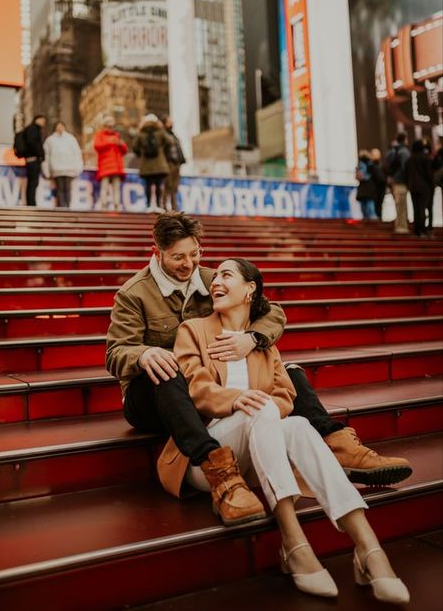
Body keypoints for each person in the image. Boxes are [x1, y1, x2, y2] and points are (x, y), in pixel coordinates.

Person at [106, 213, 411, 524]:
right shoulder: (134, 293)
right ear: (156, 252)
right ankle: (219, 473)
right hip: (157, 396)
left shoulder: (215, 279)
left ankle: (338, 444)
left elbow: (273, 312)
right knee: (168, 370)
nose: (189, 264)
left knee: (289, 371)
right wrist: (144, 354)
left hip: (209, 387)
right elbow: (115, 353)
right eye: (178, 257)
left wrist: (252, 339)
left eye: (195, 253)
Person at [157, 258, 409, 602]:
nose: (215, 281)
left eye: (226, 275)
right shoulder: (194, 330)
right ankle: (293, 539)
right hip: (208, 459)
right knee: (263, 410)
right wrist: (238, 399)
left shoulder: (261, 342)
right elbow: (195, 387)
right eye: (214, 276)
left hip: (260, 449)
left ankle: (368, 546)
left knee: (300, 424)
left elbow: (285, 394)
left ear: (250, 290)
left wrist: (262, 404)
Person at [132, 114, 173, 213]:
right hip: (160, 164)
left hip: (146, 164)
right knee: (159, 185)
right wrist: (162, 149)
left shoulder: (141, 133)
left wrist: (141, 153)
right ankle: (158, 206)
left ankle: (149, 205)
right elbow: (170, 142)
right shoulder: (160, 132)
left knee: (148, 185)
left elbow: (134, 147)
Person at [42, 121, 83, 208]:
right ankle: (62, 207)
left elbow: (77, 153)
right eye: (58, 126)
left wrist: (78, 167)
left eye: (61, 126)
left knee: (67, 189)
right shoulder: (50, 140)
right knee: (60, 189)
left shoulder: (71, 138)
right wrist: (47, 170)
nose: (60, 128)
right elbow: (46, 156)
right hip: (56, 170)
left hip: (69, 169)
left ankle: (67, 206)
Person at [94, 116, 127, 211]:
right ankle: (103, 205)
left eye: (112, 126)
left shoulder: (117, 136)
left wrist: (120, 144)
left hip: (116, 167)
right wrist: (110, 141)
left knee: (116, 187)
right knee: (104, 187)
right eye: (108, 126)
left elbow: (125, 150)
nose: (110, 128)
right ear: (104, 126)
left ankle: (117, 205)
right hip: (105, 167)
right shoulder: (99, 135)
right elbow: (97, 146)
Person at [405, 139, 434, 237]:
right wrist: (431, 184)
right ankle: (423, 230)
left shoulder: (409, 159)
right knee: (422, 208)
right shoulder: (425, 158)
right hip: (424, 187)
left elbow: (406, 174)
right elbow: (429, 174)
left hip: (413, 187)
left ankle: (416, 231)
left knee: (415, 209)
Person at [385, 133, 410, 234]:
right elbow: (406, 168)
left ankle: (400, 225)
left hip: (394, 181)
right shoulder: (404, 152)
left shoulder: (392, 152)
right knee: (402, 205)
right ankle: (402, 227)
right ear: (404, 140)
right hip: (401, 181)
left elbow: (387, 166)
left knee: (399, 205)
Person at [161, 116, 186, 211]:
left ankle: (174, 207)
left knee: (174, 187)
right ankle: (164, 206)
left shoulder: (173, 135)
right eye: (169, 122)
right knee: (168, 186)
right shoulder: (163, 135)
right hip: (168, 163)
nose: (172, 123)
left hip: (176, 164)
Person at [24, 114, 46, 206]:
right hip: (33, 159)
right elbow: (32, 142)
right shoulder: (33, 129)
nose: (44, 123)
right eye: (43, 121)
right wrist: (40, 153)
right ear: (37, 119)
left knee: (32, 183)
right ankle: (31, 203)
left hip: (32, 159)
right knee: (33, 182)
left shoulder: (33, 129)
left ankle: (31, 202)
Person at [355, 150, 377, 220]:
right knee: (368, 210)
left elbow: (359, 177)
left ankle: (372, 224)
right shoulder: (370, 165)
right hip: (367, 190)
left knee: (368, 210)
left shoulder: (364, 165)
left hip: (365, 190)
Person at [369, 148, 386, 220]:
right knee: (374, 204)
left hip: (381, 187)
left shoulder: (382, 165)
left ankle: (379, 218)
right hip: (373, 188)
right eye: (374, 154)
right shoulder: (370, 166)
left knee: (379, 204)